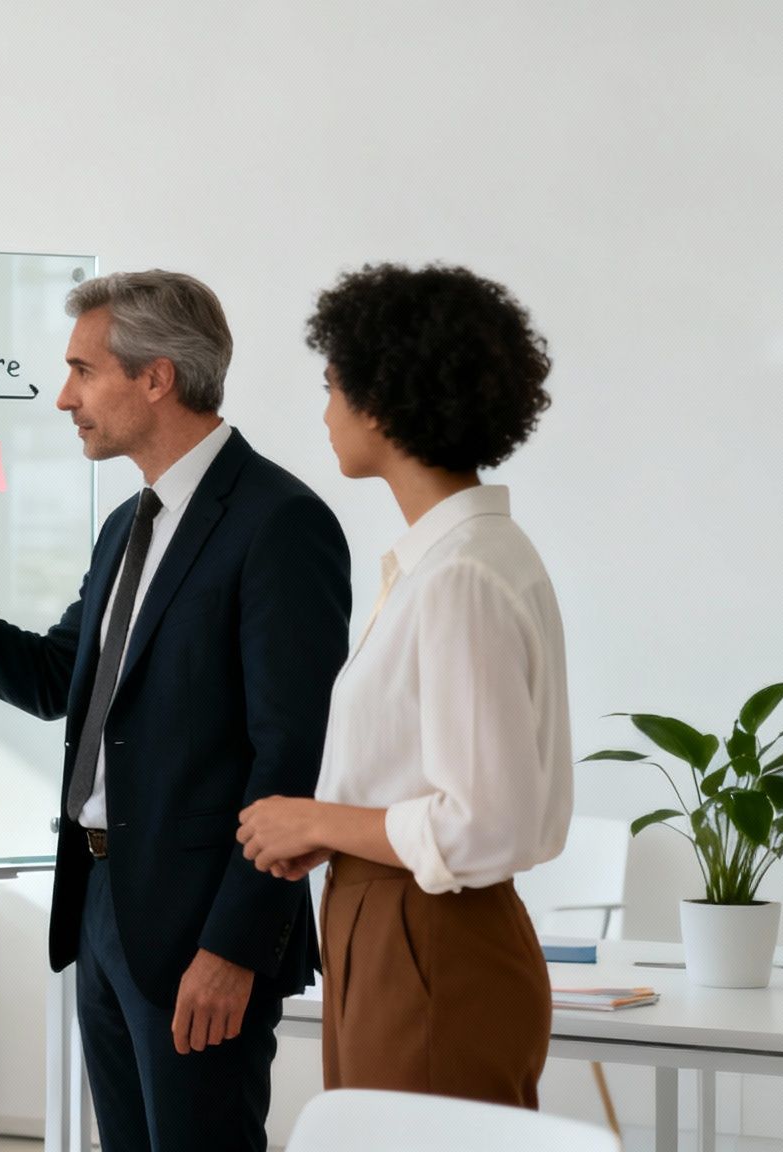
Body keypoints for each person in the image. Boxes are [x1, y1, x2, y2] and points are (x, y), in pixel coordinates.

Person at [0, 270, 350, 1151]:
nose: (63, 397)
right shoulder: (128, 526)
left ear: (156, 378)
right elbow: (60, 676)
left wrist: (234, 947)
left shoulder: (278, 523)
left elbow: (291, 758)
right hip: (102, 902)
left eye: (82, 370)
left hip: (200, 928)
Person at [237, 262, 570, 1107]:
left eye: (331, 386)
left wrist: (315, 817)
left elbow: (485, 822)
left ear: (383, 398)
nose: (324, 411)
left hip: (427, 934)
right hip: (394, 924)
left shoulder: (460, 576)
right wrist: (339, 833)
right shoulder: (452, 563)